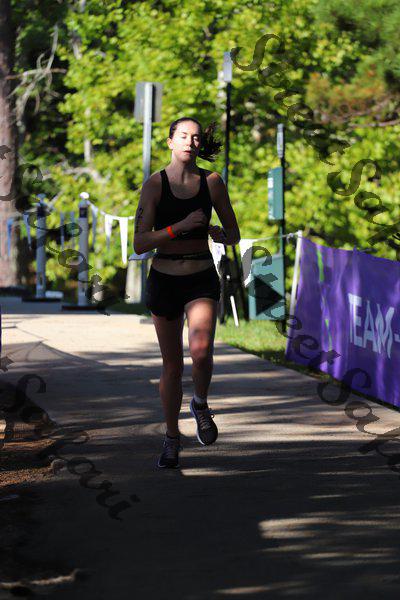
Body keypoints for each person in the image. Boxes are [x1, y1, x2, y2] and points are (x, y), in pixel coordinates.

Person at [133, 116, 241, 468]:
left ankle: (201, 404)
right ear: (170, 142)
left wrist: (220, 234)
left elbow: (234, 233)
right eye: (183, 136)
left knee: (201, 350)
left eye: (195, 138)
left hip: (200, 276)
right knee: (172, 365)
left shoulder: (212, 182)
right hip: (164, 279)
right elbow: (139, 242)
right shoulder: (154, 185)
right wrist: (177, 228)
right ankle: (171, 437)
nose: (190, 143)